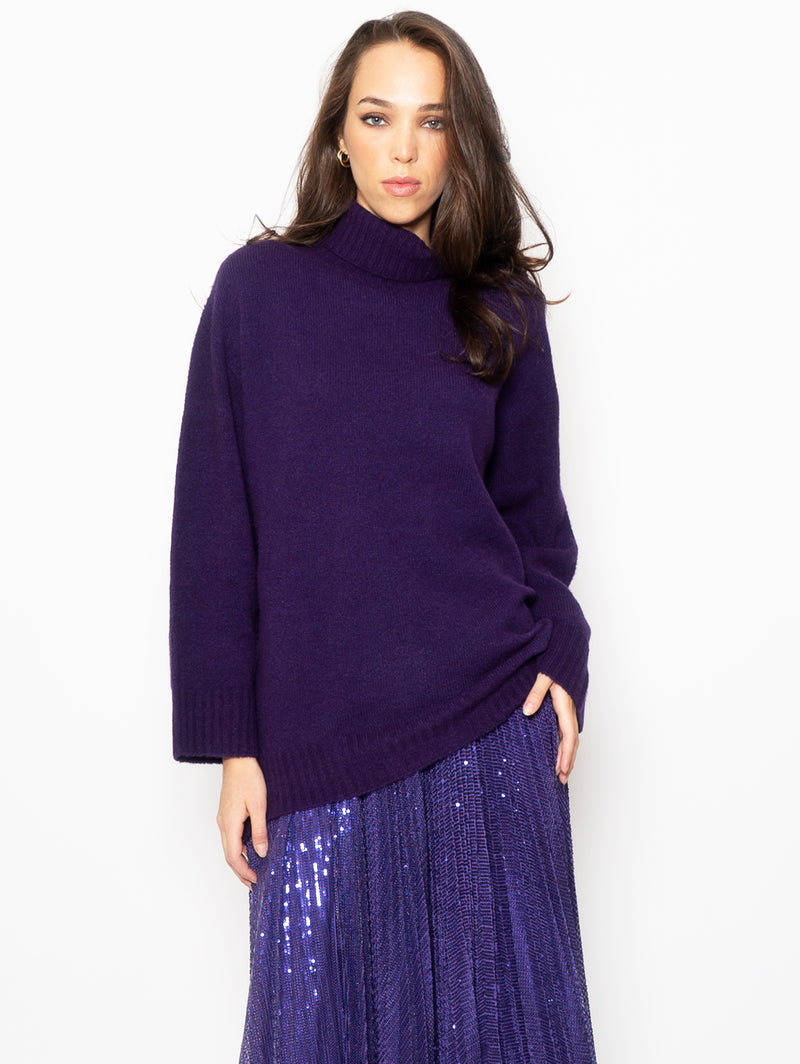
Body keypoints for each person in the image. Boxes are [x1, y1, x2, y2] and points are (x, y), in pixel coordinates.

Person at [169, 10, 597, 1063]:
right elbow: (214, 531)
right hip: (316, 747)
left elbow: (533, 525)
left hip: (492, 728)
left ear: (461, 140)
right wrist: (233, 747)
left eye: (431, 121)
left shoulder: (499, 304)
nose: (403, 148)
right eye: (376, 117)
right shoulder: (257, 294)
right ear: (337, 135)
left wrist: (562, 653)